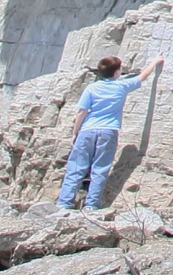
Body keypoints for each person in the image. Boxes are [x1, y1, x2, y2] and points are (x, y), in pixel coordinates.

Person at [59, 51, 161, 211]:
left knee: (76, 167)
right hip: (108, 131)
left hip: (87, 130)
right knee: (100, 168)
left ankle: (64, 203)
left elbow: (82, 112)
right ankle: (91, 205)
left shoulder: (91, 88)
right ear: (116, 72)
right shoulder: (122, 86)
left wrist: (75, 132)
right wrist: (155, 61)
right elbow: (142, 77)